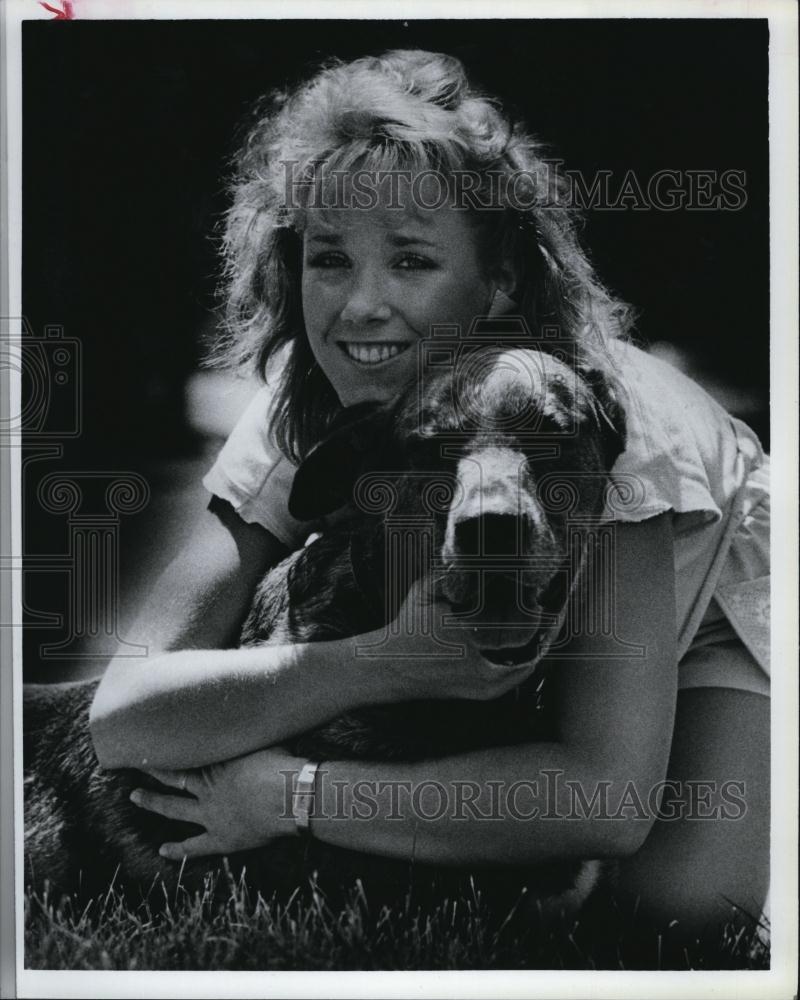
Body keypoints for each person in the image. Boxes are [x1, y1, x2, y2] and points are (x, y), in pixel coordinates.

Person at [89, 49, 770, 940]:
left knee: (674, 915)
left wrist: (293, 794)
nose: (361, 305)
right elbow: (125, 718)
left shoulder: (601, 432)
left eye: (411, 261)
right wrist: (385, 661)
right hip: (464, 613)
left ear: (501, 284)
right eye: (329, 259)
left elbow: (604, 798)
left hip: (705, 603)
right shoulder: (316, 394)